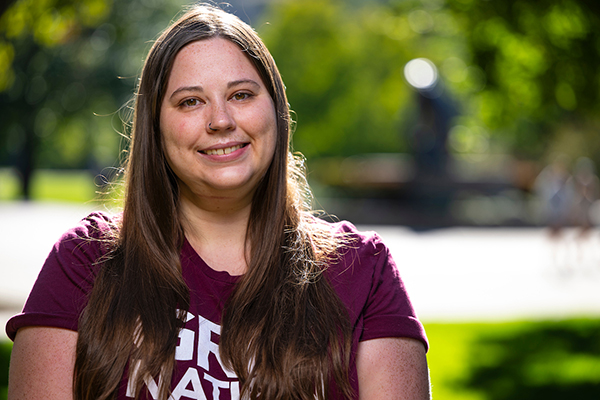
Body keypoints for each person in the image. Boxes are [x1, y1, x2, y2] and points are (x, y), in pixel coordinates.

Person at [6, 4, 430, 400]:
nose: (221, 120)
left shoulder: (361, 270)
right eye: (190, 101)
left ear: (277, 111)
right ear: (155, 129)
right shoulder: (85, 263)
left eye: (242, 95)